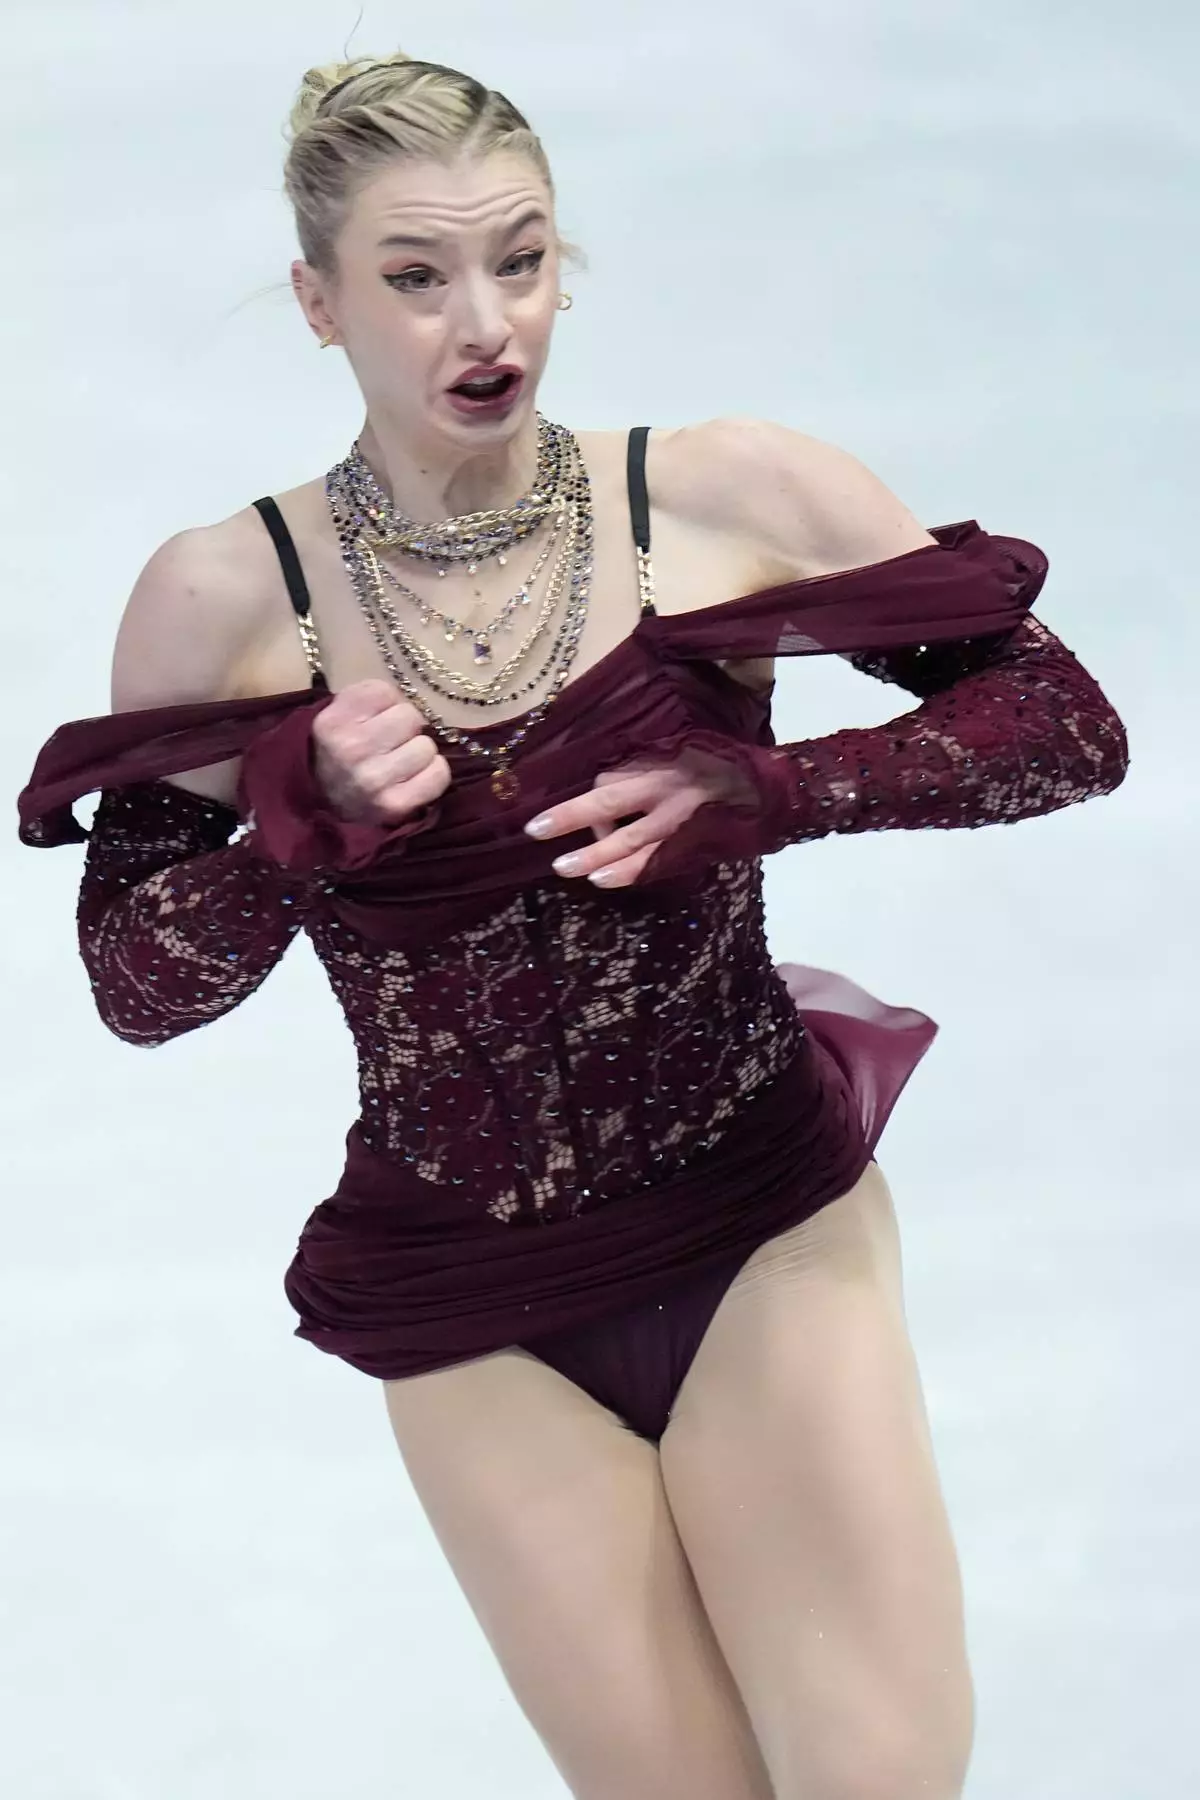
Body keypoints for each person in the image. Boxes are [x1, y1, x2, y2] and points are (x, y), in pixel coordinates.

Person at [17, 50, 1129, 1800]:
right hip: (473, 1300)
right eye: (415, 276)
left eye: (522, 260)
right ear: (317, 301)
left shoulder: (719, 496)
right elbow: (135, 987)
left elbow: (1063, 725)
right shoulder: (225, 600)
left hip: (758, 1213)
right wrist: (288, 835)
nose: (487, 320)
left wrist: (779, 790)